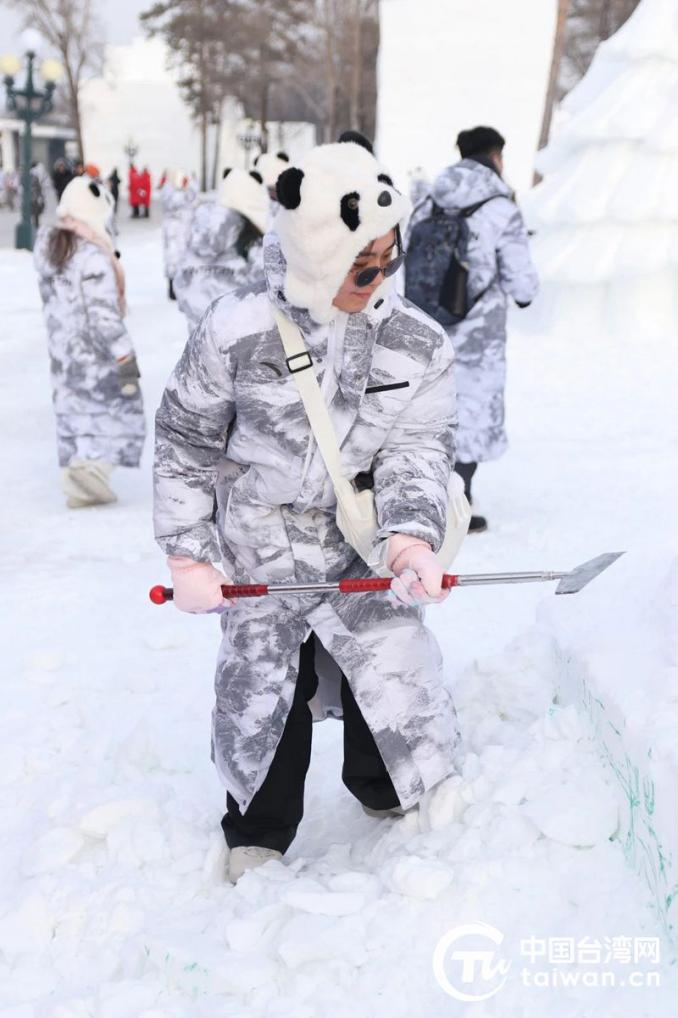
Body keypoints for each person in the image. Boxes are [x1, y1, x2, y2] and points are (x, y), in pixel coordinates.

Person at [153, 137, 461, 884]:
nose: (383, 275)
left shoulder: (416, 343)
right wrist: (189, 554)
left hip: (362, 542)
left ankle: (387, 784)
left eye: (391, 256)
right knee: (265, 688)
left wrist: (412, 541)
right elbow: (184, 439)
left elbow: (418, 447)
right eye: (364, 263)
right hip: (260, 543)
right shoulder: (236, 330)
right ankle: (257, 827)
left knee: (386, 665)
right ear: (319, 253)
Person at [422, 126, 538, 532]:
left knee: (426, 408)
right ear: (495, 156)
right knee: (470, 409)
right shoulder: (500, 206)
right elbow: (523, 287)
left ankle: (424, 497)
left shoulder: (429, 198)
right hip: (477, 333)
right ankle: (459, 500)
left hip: (427, 323)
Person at [33, 176, 146, 508]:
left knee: (77, 409)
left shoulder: (52, 248)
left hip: (62, 350)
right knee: (121, 405)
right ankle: (90, 471)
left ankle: (81, 468)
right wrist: (125, 357)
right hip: (95, 352)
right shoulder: (92, 258)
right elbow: (104, 315)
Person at [172, 166, 268, 332]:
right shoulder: (251, 238)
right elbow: (267, 289)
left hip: (200, 337)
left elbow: (181, 278)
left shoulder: (197, 227)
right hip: (241, 336)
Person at [160, 169, 197, 301]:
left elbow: (192, 195)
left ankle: (183, 287)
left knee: (185, 260)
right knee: (173, 260)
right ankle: (173, 289)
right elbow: (171, 202)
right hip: (173, 233)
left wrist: (189, 185)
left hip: (184, 233)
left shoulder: (187, 195)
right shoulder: (169, 193)